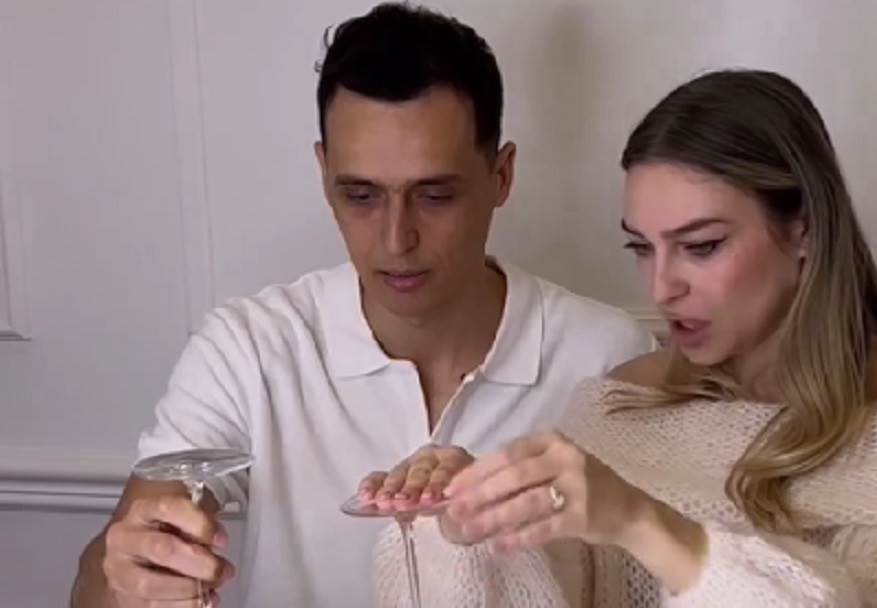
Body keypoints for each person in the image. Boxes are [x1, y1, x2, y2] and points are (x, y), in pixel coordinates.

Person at [69, 4, 655, 607]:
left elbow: (657, 584)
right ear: (324, 174)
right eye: (361, 195)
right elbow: (102, 578)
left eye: (435, 195)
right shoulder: (247, 349)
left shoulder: (608, 357)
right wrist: (130, 575)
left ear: (501, 176)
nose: (396, 240)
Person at [369, 70, 877, 607]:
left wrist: (646, 523)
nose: (662, 287)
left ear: (804, 231)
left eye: (701, 246)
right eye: (643, 248)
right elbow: (557, 588)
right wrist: (468, 524)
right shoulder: (622, 403)